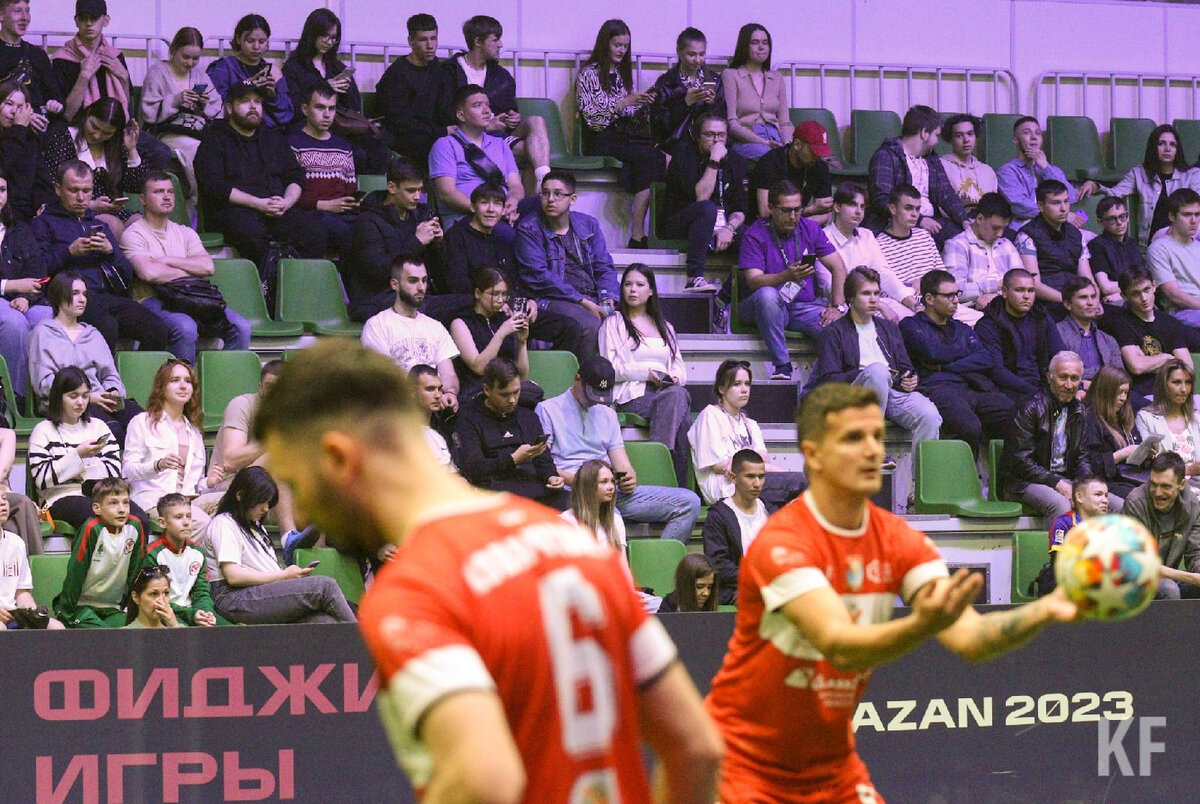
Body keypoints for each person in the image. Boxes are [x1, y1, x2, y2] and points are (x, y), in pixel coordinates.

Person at [253, 339, 721, 802]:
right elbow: (697, 749)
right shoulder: (569, 542)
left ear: (337, 457)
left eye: (297, 483)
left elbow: (484, 781)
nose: (302, 509)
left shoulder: (414, 595)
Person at [706, 382, 1077, 803]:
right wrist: (922, 624)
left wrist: (1052, 607)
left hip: (831, 762)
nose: (872, 451)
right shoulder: (782, 542)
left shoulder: (897, 539)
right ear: (814, 455)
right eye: (854, 438)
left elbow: (971, 638)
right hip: (746, 760)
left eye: (877, 437)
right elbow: (839, 645)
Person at [803, 266, 943, 498]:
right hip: (852, 395)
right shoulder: (834, 332)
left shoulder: (889, 328)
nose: (873, 299)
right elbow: (828, 380)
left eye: (876, 293)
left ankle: (922, 493)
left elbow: (905, 365)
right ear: (850, 298)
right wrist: (868, 372)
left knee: (929, 415)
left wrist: (909, 379)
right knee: (877, 372)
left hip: (890, 389)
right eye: (866, 293)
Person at [537, 356, 701, 543]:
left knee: (689, 502)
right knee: (609, 517)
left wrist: (628, 477)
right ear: (577, 379)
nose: (595, 401)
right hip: (574, 491)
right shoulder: (547, 409)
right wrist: (586, 482)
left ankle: (661, 559)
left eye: (601, 395)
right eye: (591, 394)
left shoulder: (607, 413)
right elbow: (543, 465)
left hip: (610, 489)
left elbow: (622, 463)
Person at [193, 80, 326, 294]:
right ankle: (265, 295)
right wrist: (258, 204)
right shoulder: (214, 140)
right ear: (229, 108)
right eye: (245, 101)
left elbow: (296, 175)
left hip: (275, 209)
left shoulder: (273, 137)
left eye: (257, 101)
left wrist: (287, 202)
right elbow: (213, 186)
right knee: (253, 235)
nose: (253, 106)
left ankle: (298, 295)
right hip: (233, 211)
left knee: (313, 232)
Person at [33, 161, 169, 352]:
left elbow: (126, 276)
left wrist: (110, 252)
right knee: (106, 326)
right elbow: (37, 270)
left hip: (105, 296)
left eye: (86, 191)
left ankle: (137, 372)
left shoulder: (99, 225)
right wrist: (69, 253)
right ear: (58, 189)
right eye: (73, 190)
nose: (81, 197)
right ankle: (104, 373)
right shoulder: (43, 223)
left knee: (157, 328)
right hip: (67, 297)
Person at [120, 170, 252, 362]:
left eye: (170, 191)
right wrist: (189, 270)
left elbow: (207, 267)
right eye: (158, 192)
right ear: (142, 199)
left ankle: (222, 377)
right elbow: (148, 273)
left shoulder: (186, 232)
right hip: (151, 298)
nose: (166, 196)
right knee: (186, 327)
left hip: (190, 296)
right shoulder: (133, 234)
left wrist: (167, 260)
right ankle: (183, 380)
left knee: (241, 328)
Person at [200, 466, 355, 625]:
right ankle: (363, 639)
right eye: (261, 502)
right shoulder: (224, 523)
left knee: (324, 621)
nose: (266, 508)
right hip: (233, 598)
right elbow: (234, 576)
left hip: (259, 591)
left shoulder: (256, 527)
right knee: (325, 586)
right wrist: (284, 575)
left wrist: (291, 578)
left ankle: (356, 639)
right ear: (240, 495)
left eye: (268, 502)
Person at [738, 180, 848, 380]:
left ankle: (817, 387)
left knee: (839, 330)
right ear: (771, 208)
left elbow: (838, 267)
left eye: (797, 210)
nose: (793, 216)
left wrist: (837, 307)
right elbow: (753, 281)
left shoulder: (809, 228)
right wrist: (786, 276)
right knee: (767, 296)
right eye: (786, 210)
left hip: (802, 307)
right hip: (761, 307)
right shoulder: (755, 233)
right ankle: (782, 365)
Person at [900, 270, 1015, 456]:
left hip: (973, 386)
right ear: (929, 298)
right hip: (938, 388)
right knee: (969, 427)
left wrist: (946, 366)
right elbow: (932, 353)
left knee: (1015, 414)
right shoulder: (911, 325)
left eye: (957, 294)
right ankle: (965, 473)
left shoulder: (962, 328)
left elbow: (986, 359)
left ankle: (1007, 474)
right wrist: (964, 351)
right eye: (949, 296)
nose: (955, 301)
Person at [576, 19, 665, 248]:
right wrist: (624, 103)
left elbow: (629, 114)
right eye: (617, 45)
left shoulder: (622, 73)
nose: (621, 50)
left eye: (625, 46)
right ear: (605, 44)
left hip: (623, 136)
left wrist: (643, 103)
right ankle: (638, 232)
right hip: (600, 137)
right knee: (652, 157)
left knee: (658, 156)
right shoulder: (589, 73)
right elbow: (593, 119)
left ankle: (640, 233)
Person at [600, 264, 691, 485]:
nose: (633, 290)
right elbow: (609, 369)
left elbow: (679, 366)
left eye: (640, 285)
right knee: (681, 408)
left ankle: (663, 474)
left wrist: (674, 378)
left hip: (665, 391)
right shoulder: (613, 324)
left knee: (678, 398)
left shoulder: (665, 327)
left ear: (650, 291)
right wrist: (646, 374)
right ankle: (671, 479)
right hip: (632, 395)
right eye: (628, 284)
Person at [27, 272, 145, 440]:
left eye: (84, 294)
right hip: (65, 404)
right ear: (58, 296)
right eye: (75, 293)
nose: (82, 299)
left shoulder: (93, 334)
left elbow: (110, 375)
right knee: (112, 432)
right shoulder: (43, 334)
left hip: (101, 400)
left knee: (145, 425)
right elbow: (44, 384)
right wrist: (86, 397)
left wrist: (112, 392)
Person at [514, 169, 618, 358]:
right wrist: (582, 301)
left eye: (558, 194)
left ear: (573, 199)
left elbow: (604, 267)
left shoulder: (589, 224)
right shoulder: (529, 228)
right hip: (552, 299)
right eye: (545, 193)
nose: (550, 199)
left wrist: (607, 298)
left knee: (628, 320)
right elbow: (539, 277)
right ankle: (579, 375)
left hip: (592, 296)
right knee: (590, 323)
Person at [1000, 351, 1114, 519]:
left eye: (1074, 379)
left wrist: (1086, 485)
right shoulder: (1029, 408)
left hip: (1063, 480)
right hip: (1022, 482)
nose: (1069, 385)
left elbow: (1081, 458)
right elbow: (1020, 461)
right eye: (1063, 377)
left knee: (1115, 505)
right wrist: (1056, 483)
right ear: (1049, 377)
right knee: (1060, 505)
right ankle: (1058, 538)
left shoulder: (1079, 411)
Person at [444, 15, 550, 188]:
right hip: (467, 139)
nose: (500, 44)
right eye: (495, 39)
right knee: (533, 153)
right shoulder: (448, 73)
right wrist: (487, 125)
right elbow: (445, 115)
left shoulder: (501, 76)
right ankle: (540, 192)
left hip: (498, 138)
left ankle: (545, 179)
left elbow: (509, 111)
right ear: (478, 41)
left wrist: (512, 118)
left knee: (536, 121)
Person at [282, 8, 390, 173]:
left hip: (339, 126)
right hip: (307, 126)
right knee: (357, 154)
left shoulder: (336, 67)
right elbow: (292, 107)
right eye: (324, 36)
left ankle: (366, 189)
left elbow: (354, 107)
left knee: (381, 151)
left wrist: (346, 89)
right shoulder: (294, 67)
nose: (329, 42)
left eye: (333, 38)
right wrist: (326, 87)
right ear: (312, 34)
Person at [27, 365, 134, 530]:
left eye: (85, 396)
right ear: (58, 397)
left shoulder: (99, 426)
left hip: (103, 496)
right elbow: (42, 479)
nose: (80, 402)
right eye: (73, 396)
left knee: (138, 519)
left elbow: (114, 472)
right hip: (59, 498)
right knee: (95, 517)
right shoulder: (43, 430)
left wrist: (75, 471)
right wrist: (78, 455)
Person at [688, 359, 806, 506]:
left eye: (747, 384)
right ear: (722, 388)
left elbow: (764, 461)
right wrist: (781, 471)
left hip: (752, 483)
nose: (744, 389)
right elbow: (718, 466)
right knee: (803, 482)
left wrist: (739, 461)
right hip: (724, 488)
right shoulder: (710, 415)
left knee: (779, 507)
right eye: (737, 384)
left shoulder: (750, 424)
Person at [453, 357, 566, 509]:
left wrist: (551, 476)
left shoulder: (528, 416)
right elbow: (474, 469)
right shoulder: (469, 420)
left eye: (516, 392)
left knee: (572, 502)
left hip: (531, 486)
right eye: (504, 395)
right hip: (495, 490)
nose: (512, 400)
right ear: (487, 390)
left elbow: (542, 458)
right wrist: (513, 460)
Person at [122, 359, 220, 533]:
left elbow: (196, 484)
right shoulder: (141, 422)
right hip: (155, 500)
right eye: (175, 380)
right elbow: (128, 472)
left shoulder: (194, 431)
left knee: (234, 505)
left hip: (188, 500)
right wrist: (157, 465)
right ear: (162, 388)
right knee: (202, 523)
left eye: (187, 381)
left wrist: (209, 482)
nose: (183, 386)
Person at [344, 156, 446, 323]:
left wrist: (438, 243)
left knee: (471, 304)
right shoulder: (367, 221)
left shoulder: (420, 215)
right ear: (391, 187)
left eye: (420, 190)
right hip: (376, 301)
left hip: (417, 295)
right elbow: (377, 271)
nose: (417, 197)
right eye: (411, 191)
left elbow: (437, 270)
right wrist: (417, 242)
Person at [362, 254, 461, 412]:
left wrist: (450, 392)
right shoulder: (377, 325)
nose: (421, 287)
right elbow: (383, 379)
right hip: (396, 410)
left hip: (432, 409)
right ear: (395, 284)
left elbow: (448, 374)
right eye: (413, 281)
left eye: (424, 280)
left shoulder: (435, 326)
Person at [37, 97, 145, 238]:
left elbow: (136, 186)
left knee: (141, 224)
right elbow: (51, 186)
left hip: (111, 211)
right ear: (88, 113)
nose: (97, 135)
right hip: (75, 211)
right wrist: (91, 204)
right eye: (94, 127)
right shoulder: (64, 137)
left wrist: (131, 149)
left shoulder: (115, 147)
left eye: (106, 133)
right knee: (112, 225)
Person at [662, 113, 748, 292]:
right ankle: (694, 277)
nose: (716, 141)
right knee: (707, 209)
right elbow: (701, 197)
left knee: (751, 236)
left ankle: (726, 295)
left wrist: (729, 229)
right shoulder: (683, 158)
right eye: (709, 135)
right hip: (683, 222)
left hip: (722, 225)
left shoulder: (737, 161)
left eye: (721, 135)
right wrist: (714, 161)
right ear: (697, 136)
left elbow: (740, 208)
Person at [876, 182, 979, 324]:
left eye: (917, 209)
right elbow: (883, 290)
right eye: (908, 208)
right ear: (893, 209)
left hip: (937, 301)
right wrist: (909, 288)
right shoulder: (878, 244)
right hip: (903, 306)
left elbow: (943, 276)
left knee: (980, 320)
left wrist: (924, 281)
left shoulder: (924, 236)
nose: (914, 214)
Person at [138, 27, 221, 200]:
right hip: (168, 132)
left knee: (218, 148)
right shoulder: (157, 72)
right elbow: (148, 112)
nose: (190, 63)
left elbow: (217, 107)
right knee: (197, 150)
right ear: (173, 50)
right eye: (185, 57)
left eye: (195, 58)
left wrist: (204, 103)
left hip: (197, 130)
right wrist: (176, 100)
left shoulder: (200, 75)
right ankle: (201, 199)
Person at [866, 104, 967, 248]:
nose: (937, 141)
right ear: (924, 133)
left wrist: (964, 220)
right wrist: (920, 220)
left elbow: (947, 193)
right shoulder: (886, 155)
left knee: (968, 239)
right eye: (936, 135)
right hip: (897, 223)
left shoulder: (931, 158)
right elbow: (881, 200)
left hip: (932, 222)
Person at [53, 476, 148, 628]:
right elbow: (75, 575)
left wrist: (133, 611)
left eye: (126, 502)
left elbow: (136, 574)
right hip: (81, 607)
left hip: (112, 608)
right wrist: (66, 614)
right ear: (97, 508)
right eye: (113, 503)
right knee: (104, 634)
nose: (122, 509)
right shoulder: (92, 529)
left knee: (137, 629)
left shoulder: (135, 527)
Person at [429, 83, 523, 225]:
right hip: (467, 219)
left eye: (488, 105)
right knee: (511, 234)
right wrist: (489, 212)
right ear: (461, 115)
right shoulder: (444, 145)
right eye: (478, 105)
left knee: (538, 206)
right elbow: (447, 193)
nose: (487, 111)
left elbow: (515, 185)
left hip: (502, 212)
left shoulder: (501, 144)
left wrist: (513, 202)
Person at [1096, 123, 1199, 245]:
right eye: (1161, 144)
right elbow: (1115, 193)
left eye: (1172, 144)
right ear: (1153, 147)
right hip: (1155, 240)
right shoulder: (1139, 173)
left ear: (1177, 149)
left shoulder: (1192, 175)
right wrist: (1096, 186)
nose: (1167, 149)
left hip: (1185, 237)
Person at [1108, 266, 1196, 408]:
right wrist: (1168, 358)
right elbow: (1137, 366)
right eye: (1136, 293)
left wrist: (1149, 362)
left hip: (1176, 392)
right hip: (1144, 395)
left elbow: (1187, 367)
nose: (1144, 298)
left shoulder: (1170, 322)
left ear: (1154, 286)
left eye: (1146, 290)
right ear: (1124, 296)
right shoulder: (1121, 323)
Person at [976, 267, 1064, 408]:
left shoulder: (1041, 317)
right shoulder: (988, 324)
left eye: (1031, 290)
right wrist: (1037, 393)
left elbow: (1060, 355)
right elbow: (996, 371)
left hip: (1044, 385)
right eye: (1019, 290)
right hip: (1008, 392)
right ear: (1004, 292)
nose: (1026, 296)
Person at [822, 181, 911, 319]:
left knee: (914, 319)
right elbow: (829, 287)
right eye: (852, 205)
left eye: (862, 207)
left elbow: (884, 274)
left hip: (874, 300)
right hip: (841, 307)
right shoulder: (822, 237)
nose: (859, 211)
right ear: (837, 207)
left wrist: (911, 301)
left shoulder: (866, 235)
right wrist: (879, 304)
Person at [287, 81, 358, 252]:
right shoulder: (292, 143)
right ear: (305, 109)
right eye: (320, 108)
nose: (327, 115)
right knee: (331, 225)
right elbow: (287, 194)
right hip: (310, 214)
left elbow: (350, 191)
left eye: (331, 109)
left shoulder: (343, 147)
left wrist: (353, 202)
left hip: (342, 216)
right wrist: (322, 205)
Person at [375, 13, 454, 168]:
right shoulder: (397, 74)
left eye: (433, 38)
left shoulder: (436, 68)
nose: (430, 45)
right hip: (405, 137)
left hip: (432, 132)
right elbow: (399, 123)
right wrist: (441, 131)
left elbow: (444, 108)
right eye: (423, 40)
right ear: (411, 41)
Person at [701, 448, 774, 606]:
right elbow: (718, 564)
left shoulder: (771, 511)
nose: (757, 483)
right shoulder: (718, 516)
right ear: (733, 478)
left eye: (761, 477)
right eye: (750, 476)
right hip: (734, 588)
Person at [1123, 451, 1200, 600]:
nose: (1158, 492)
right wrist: (1192, 578)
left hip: (1169, 577)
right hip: (1133, 580)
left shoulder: (1192, 505)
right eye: (1153, 484)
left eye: (1165, 486)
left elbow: (1195, 555)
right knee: (1169, 590)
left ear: (1182, 485)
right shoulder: (1136, 503)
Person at [0, 163, 47, 401]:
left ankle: (51, 398)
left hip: (21, 299)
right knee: (14, 323)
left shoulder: (19, 229)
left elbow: (38, 271)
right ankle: (13, 399)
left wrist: (25, 297)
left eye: (2, 190)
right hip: (4, 299)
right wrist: (11, 286)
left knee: (48, 319)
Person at [997, 116, 1096, 230]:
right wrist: (1058, 215)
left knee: (1092, 238)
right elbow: (1020, 207)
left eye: (1038, 133)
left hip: (1059, 228)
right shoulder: (1007, 171)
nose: (1034, 137)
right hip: (1027, 228)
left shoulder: (1051, 169)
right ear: (1015, 140)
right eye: (1027, 133)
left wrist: (1045, 167)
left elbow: (1072, 197)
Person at [449, 267, 530, 401]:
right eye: (495, 294)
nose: (501, 300)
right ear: (478, 293)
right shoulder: (460, 323)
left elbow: (522, 375)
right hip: (478, 391)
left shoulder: (504, 321)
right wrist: (501, 333)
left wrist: (522, 343)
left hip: (509, 390)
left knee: (535, 393)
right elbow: (479, 367)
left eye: (504, 294)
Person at [941, 191, 1023, 316]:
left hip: (1007, 303)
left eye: (1004, 228)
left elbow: (1022, 282)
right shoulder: (957, 245)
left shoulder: (1006, 244)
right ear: (979, 219)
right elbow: (955, 290)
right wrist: (995, 285)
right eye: (995, 228)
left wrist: (997, 296)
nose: (1000, 234)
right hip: (975, 309)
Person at [1013, 179, 1089, 310]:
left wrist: (1094, 299)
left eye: (1066, 201)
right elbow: (1033, 285)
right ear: (1040, 206)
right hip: (1047, 305)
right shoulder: (1026, 235)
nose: (1063, 208)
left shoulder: (1076, 234)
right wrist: (1068, 301)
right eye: (1056, 203)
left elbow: (1087, 278)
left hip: (1077, 301)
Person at [206, 14, 291, 128]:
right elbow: (214, 109)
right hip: (232, 130)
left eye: (262, 41)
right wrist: (245, 88)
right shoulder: (223, 68)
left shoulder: (273, 72)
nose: (256, 47)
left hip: (266, 131)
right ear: (238, 39)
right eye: (250, 41)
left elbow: (286, 115)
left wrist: (273, 97)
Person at [722, 23, 793, 160]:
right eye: (755, 42)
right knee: (774, 157)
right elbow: (732, 123)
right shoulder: (731, 75)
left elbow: (785, 121)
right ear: (744, 46)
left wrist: (788, 144)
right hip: (747, 139)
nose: (761, 47)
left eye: (765, 42)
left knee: (799, 156)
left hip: (777, 136)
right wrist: (764, 142)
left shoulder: (776, 77)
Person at [145, 491, 217, 626]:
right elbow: (154, 599)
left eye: (188, 516)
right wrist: (192, 615)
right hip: (164, 614)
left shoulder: (198, 552)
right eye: (178, 517)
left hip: (194, 612)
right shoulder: (152, 554)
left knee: (236, 630)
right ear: (162, 523)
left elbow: (202, 592)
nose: (186, 522)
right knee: (186, 633)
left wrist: (206, 612)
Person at [649, 27, 725, 153]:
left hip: (709, 140)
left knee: (735, 159)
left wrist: (711, 104)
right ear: (678, 51)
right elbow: (658, 126)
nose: (698, 60)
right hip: (676, 141)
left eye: (702, 54)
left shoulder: (714, 81)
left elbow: (723, 120)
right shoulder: (666, 82)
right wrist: (684, 104)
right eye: (691, 54)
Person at [52, 0, 130, 122]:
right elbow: (66, 115)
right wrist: (83, 77)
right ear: (76, 21)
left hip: (113, 125)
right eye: (83, 18)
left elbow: (126, 106)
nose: (88, 23)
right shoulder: (62, 59)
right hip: (76, 126)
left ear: (106, 20)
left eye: (94, 18)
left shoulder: (114, 56)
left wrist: (124, 78)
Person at [1082, 364, 1149, 498]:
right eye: (1120, 392)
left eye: (1126, 393)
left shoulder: (1125, 418)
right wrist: (1123, 453)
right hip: (1107, 482)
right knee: (1143, 497)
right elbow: (1091, 466)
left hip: (1132, 477)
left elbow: (1135, 461)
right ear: (1106, 391)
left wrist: (1146, 455)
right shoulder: (1090, 419)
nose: (1123, 398)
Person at [749, 121, 834, 222]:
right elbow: (765, 213)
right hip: (764, 227)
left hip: (797, 224)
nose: (817, 157)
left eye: (821, 153)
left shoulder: (819, 166)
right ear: (797, 144)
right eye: (813, 152)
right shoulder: (770, 163)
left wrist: (802, 227)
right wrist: (810, 210)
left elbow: (826, 215)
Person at [1, 493, 64, 629]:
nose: (2, 503)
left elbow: (21, 592)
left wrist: (30, 610)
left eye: (4, 498)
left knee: (56, 627)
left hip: (12, 614)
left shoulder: (16, 543)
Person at [1135, 359, 1200, 483]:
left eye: (1188, 382)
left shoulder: (1196, 417)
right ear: (1163, 385)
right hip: (1167, 485)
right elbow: (1147, 464)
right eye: (1176, 382)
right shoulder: (1146, 418)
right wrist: (1187, 470)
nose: (1184, 389)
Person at [0, 0, 63, 124]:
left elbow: (57, 97)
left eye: (27, 11)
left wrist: (55, 105)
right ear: (1, 15)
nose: (25, 17)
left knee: (62, 130)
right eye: (18, 11)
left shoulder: (37, 55)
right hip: (5, 127)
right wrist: (24, 117)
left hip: (38, 126)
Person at [1148, 187, 1200, 326]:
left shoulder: (1198, 247)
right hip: (1182, 313)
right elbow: (1173, 294)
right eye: (1187, 215)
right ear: (1172, 216)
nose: (1194, 220)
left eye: (1197, 214)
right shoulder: (1159, 248)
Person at [1056, 275, 1121, 385]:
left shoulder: (1108, 340)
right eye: (1083, 297)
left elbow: (1120, 376)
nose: (1090, 302)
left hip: (1106, 390)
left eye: (1093, 297)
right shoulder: (1057, 333)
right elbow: (1057, 373)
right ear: (1067, 304)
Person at [0, 80, 49, 221]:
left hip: (25, 217)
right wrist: (19, 129)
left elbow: (42, 182)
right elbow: (2, 168)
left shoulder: (28, 139)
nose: (14, 111)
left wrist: (43, 204)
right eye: (9, 104)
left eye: (20, 107)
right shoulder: (19, 133)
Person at [1088, 196, 1146, 302]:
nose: (1119, 222)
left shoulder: (1131, 243)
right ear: (1100, 222)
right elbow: (1106, 287)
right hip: (1115, 303)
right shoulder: (1097, 246)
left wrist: (1122, 294)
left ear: (1127, 216)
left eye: (1122, 216)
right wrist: (1137, 289)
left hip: (1131, 297)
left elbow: (1146, 280)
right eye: (1112, 219)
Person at [939, 114, 998, 214]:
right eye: (958, 136)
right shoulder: (941, 166)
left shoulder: (987, 171)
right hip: (952, 221)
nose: (966, 140)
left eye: (970, 134)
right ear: (950, 139)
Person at [1047, 475, 1111, 557]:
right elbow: (1057, 559)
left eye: (1106, 495)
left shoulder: (1110, 525)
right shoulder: (1063, 523)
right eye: (1098, 494)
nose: (1105, 501)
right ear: (1079, 497)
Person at [409, 364, 456, 472]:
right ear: (411, 392)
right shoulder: (403, 432)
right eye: (430, 389)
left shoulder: (444, 429)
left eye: (439, 389)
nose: (438, 395)